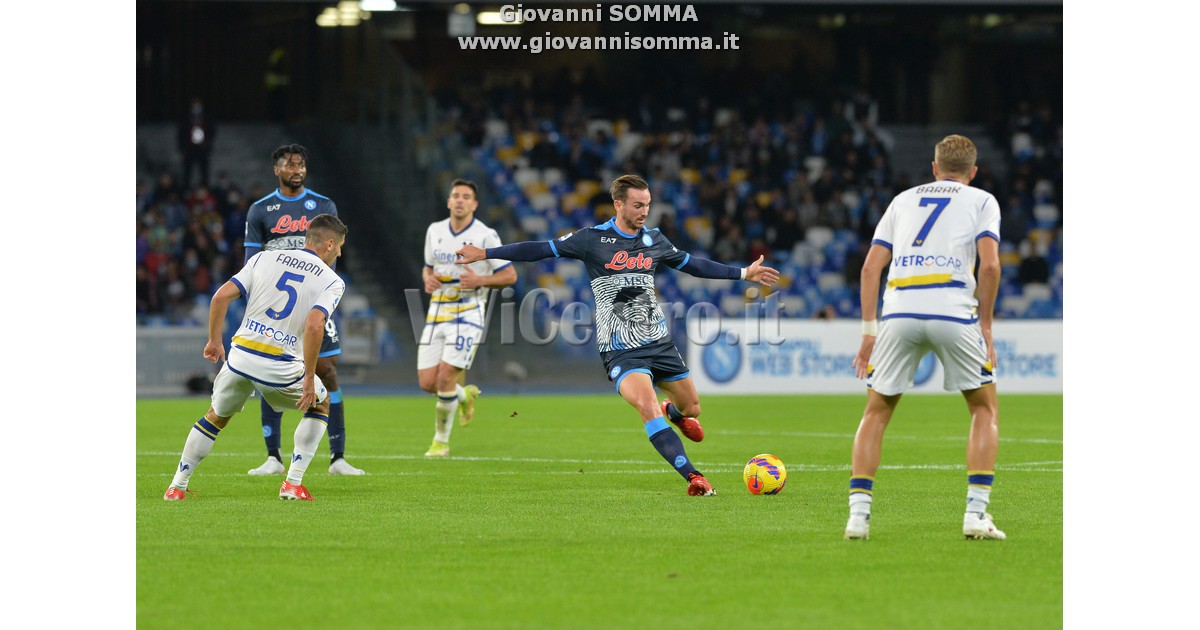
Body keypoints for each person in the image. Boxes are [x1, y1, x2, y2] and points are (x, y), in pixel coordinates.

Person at [456, 174, 780, 495]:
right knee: (647, 406)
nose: (644, 211)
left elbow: (692, 264)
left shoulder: (655, 240)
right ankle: (694, 476)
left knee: (692, 408)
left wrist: (743, 273)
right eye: (638, 205)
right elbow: (540, 249)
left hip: (658, 341)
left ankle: (674, 412)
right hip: (620, 347)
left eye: (647, 205)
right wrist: (486, 254)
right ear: (618, 205)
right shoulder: (591, 239)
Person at [843, 135, 1004, 541]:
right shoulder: (982, 201)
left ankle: (858, 518)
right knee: (983, 409)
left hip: (900, 310)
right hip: (953, 309)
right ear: (973, 171)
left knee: (876, 413)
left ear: (934, 168)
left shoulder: (902, 200)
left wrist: (869, 332)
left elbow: (870, 269)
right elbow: (990, 266)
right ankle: (975, 514)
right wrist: (985, 325)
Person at [164, 214, 349, 501]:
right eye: (339, 247)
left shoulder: (264, 257)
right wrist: (310, 377)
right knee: (321, 403)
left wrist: (214, 341)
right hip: (280, 365)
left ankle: (177, 486)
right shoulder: (332, 281)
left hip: (240, 357)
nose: (339, 253)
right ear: (329, 244)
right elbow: (315, 325)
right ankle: (293, 483)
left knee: (215, 417)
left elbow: (220, 297)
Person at [242, 144, 364, 476]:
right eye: (289, 164)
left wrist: (324, 297)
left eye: (301, 164)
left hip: (314, 302)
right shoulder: (260, 210)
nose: (296, 169)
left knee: (328, 372)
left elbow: (333, 257)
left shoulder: (324, 205)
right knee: (270, 371)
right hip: (277, 308)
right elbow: (251, 261)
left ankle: (338, 458)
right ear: (276, 169)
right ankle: (273, 457)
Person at [419, 179, 517, 457]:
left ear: (474, 204)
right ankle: (465, 395)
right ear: (449, 201)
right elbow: (428, 268)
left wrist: (480, 280)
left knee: (446, 376)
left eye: (466, 197)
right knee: (428, 383)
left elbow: (510, 275)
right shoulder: (435, 230)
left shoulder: (485, 235)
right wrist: (428, 279)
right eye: (456, 196)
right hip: (437, 311)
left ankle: (440, 443)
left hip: (468, 313)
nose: (460, 200)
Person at [177, 97, 216, 190]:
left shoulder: (207, 117)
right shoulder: (186, 117)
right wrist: (182, 149)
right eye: (194, 105)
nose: (196, 107)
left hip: (202, 148)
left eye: (198, 105)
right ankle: (186, 189)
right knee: (187, 169)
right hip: (189, 148)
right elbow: (181, 134)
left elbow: (212, 131)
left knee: (204, 169)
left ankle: (205, 188)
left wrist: (206, 142)